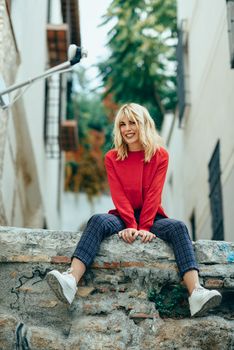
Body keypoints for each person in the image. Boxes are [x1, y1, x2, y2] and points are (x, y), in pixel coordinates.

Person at [46, 103, 222, 317]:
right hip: (122, 215)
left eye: (132, 123)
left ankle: (196, 292)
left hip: (153, 217)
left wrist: (145, 226)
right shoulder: (112, 157)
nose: (127, 128)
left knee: (178, 227)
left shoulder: (160, 155)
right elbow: (118, 194)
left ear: (144, 124)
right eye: (122, 124)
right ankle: (70, 280)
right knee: (97, 221)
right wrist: (130, 225)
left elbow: (154, 194)